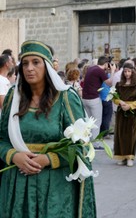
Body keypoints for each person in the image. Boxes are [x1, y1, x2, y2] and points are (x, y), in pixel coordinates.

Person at [0, 40, 96, 217]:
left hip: (55, 187)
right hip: (18, 185)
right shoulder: (13, 97)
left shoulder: (66, 98)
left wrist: (48, 159)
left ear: (47, 66)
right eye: (25, 63)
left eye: (36, 62)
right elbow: (1, 139)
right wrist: (14, 156)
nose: (29, 68)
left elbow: (81, 145)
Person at [113, 62, 136, 167]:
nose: (127, 73)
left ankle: (130, 156)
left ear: (133, 72)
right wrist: (120, 102)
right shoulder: (119, 84)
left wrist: (130, 106)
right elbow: (114, 97)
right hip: (121, 111)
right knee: (120, 133)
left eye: (129, 71)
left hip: (132, 113)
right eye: (125, 71)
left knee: (131, 134)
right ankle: (121, 156)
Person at [82, 56, 116, 149]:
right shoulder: (100, 71)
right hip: (94, 99)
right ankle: (95, 144)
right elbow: (109, 83)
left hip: (85, 98)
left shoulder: (91, 68)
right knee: (97, 122)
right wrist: (112, 71)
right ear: (105, 64)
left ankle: (87, 142)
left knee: (89, 122)